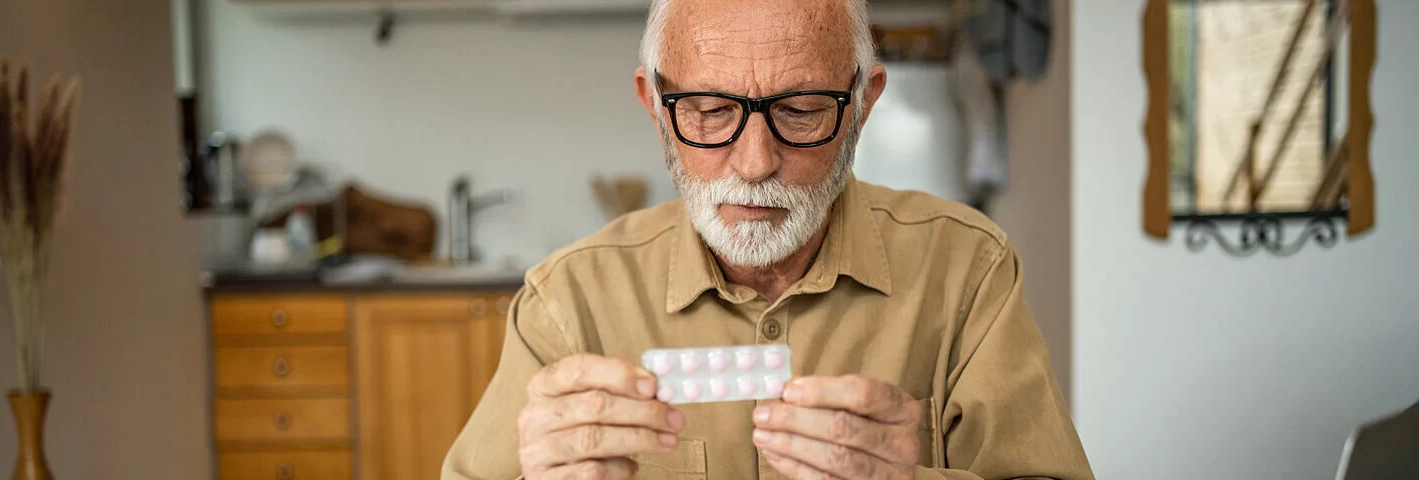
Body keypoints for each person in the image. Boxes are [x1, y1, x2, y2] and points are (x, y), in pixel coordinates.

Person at [442, 0, 1092, 478]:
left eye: (800, 110)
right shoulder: (565, 301)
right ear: (654, 105)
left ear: (864, 103)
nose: (754, 163)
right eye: (711, 110)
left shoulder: (968, 272)